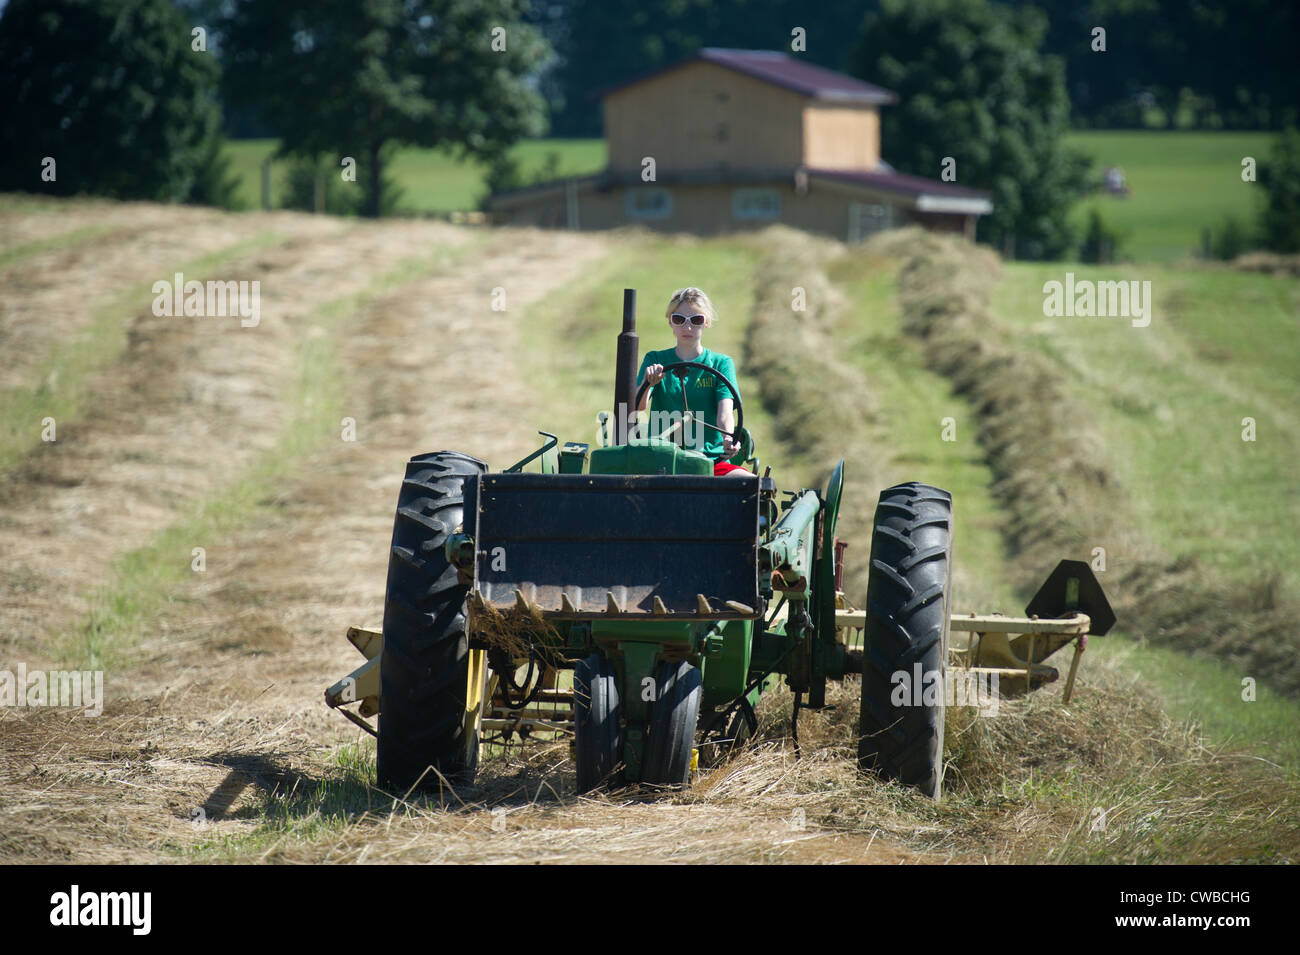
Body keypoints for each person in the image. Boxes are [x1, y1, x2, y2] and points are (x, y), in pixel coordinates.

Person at [635, 287, 750, 476]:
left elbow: (725, 415)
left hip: (710, 461)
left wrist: (728, 438)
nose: (687, 327)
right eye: (679, 320)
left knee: (749, 485)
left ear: (706, 323)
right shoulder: (655, 359)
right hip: (662, 462)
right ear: (670, 322)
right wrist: (649, 383)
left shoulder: (721, 364)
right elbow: (638, 406)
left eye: (696, 320)